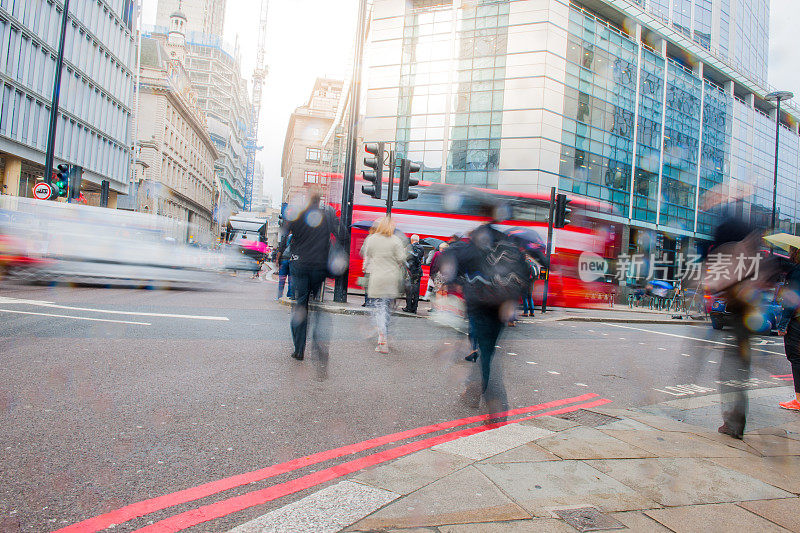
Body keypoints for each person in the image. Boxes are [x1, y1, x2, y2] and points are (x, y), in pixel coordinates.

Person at [441, 206, 526, 412]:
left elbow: (451, 257)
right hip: (501, 305)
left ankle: (490, 394)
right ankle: (476, 389)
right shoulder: (510, 247)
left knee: (486, 351)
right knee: (488, 349)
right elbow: (525, 274)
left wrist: (454, 283)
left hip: (479, 304)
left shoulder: (473, 246)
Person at [277, 186, 338, 363]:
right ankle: (317, 339)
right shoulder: (327, 216)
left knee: (300, 304)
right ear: (320, 200)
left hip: (299, 263)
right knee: (316, 302)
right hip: (319, 266)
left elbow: (284, 233)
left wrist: (280, 254)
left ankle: (299, 349)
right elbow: (342, 235)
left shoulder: (298, 214)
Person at [361, 216, 406, 353]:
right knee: (386, 307)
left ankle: (382, 339)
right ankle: (385, 332)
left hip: (378, 278)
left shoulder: (372, 239)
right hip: (391, 279)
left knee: (379, 308)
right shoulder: (395, 240)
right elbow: (401, 259)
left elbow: (367, 254)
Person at [778, 247, 800, 411]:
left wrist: (783, 324)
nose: (789, 254)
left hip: (797, 321)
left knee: (796, 358)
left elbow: (792, 299)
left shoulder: (797, 272)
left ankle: (798, 400)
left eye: (792, 251)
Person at [402, 234, 425, 314]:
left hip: (410, 272)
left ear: (412, 240)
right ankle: (414, 308)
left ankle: (408, 307)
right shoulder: (422, 248)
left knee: (409, 290)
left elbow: (406, 258)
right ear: (418, 240)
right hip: (418, 272)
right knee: (416, 290)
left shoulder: (409, 247)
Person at [275, 234, 293, 300]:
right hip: (292, 261)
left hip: (283, 260)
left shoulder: (285, 237)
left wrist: (277, 259)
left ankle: (279, 296)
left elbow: (280, 249)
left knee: (282, 279)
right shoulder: (297, 236)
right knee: (291, 280)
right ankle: (289, 295)